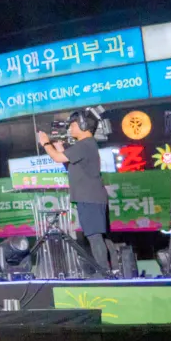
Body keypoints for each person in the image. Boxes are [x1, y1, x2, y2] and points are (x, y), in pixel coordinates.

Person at [38, 109, 110, 274]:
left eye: (73, 125)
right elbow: (71, 166)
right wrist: (60, 149)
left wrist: (46, 143)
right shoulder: (86, 145)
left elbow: (57, 157)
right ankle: (107, 271)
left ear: (83, 125)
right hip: (90, 197)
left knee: (94, 236)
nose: (70, 128)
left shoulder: (84, 144)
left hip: (90, 197)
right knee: (96, 236)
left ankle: (104, 272)